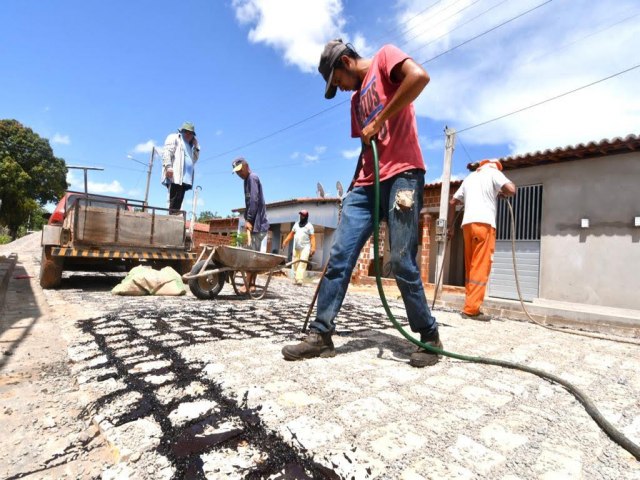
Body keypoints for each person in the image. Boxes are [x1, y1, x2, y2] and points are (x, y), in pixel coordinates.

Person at [282, 39, 441, 368]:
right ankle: (320, 335)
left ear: (344, 63)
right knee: (339, 255)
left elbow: (420, 77)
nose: (339, 88)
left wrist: (381, 118)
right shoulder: (355, 102)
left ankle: (429, 336)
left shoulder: (386, 58)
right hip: (366, 184)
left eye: (336, 81)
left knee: (400, 260)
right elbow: (366, 145)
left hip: (403, 175)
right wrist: (354, 184)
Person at [450, 158, 516, 321]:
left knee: (471, 266)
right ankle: (471, 310)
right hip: (484, 224)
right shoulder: (494, 172)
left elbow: (452, 202)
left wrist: (450, 227)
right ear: (495, 166)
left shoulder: (470, 178)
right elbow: (511, 189)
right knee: (481, 266)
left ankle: (469, 304)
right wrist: (503, 192)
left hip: (467, 225)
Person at [232, 157, 269, 292]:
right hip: (253, 224)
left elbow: (254, 200)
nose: (239, 174)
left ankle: (249, 284)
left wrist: (249, 219)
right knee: (251, 254)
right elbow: (248, 203)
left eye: (240, 170)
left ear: (246, 166)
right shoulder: (246, 180)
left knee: (252, 255)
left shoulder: (252, 177)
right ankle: (251, 284)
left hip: (258, 224)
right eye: (236, 172)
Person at [161, 122, 200, 214]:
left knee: (179, 198)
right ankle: (171, 217)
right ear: (182, 131)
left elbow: (194, 159)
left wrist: (196, 146)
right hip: (176, 175)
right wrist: (168, 166)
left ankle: (174, 215)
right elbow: (167, 152)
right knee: (173, 197)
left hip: (185, 178)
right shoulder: (175, 138)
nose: (188, 134)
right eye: (186, 132)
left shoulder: (191, 146)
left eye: (191, 133)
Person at [282, 210, 316, 285]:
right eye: (300, 215)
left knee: (302, 262)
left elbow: (312, 237)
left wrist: (313, 247)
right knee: (295, 263)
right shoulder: (296, 224)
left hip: (305, 247)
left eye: (303, 215)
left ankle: (299, 279)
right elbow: (291, 234)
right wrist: (285, 241)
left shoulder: (309, 226)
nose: (301, 216)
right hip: (296, 247)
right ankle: (296, 278)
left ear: (306, 216)